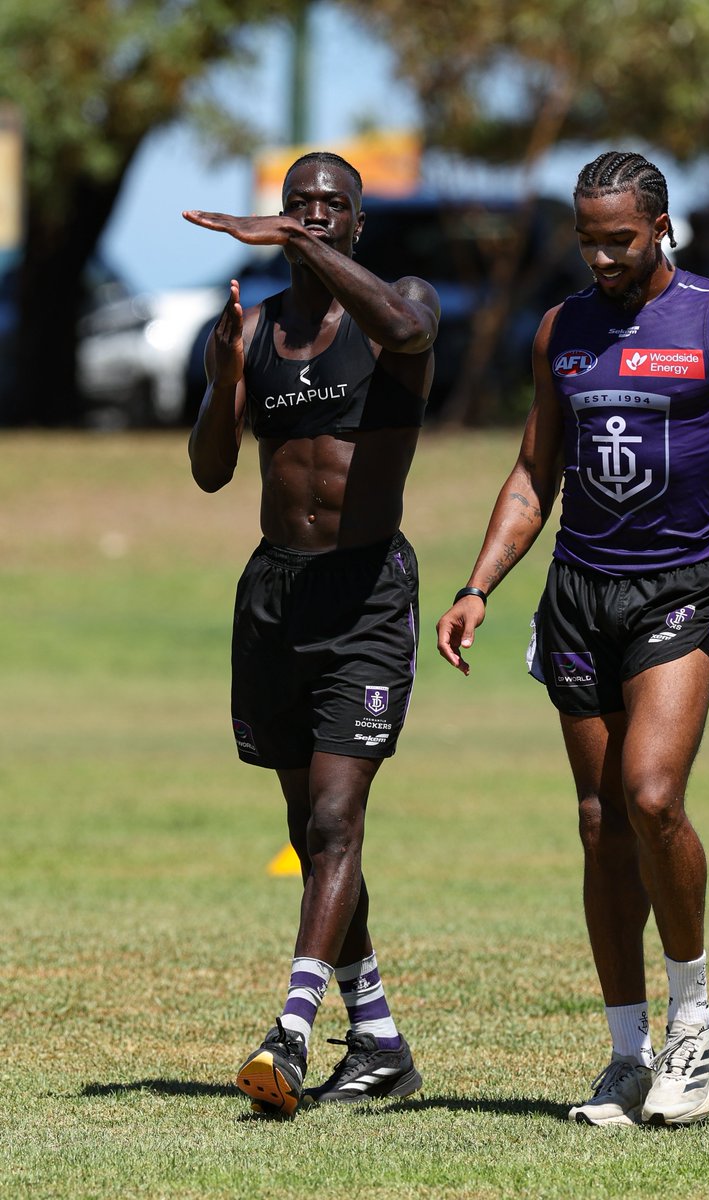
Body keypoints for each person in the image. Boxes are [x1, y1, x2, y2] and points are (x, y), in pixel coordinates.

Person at [437, 151, 709, 1128]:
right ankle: (624, 1055)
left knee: (652, 795)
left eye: (621, 239)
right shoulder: (563, 331)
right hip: (578, 597)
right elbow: (534, 474)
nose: (602, 255)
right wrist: (480, 584)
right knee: (602, 826)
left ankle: (695, 1026)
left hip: (678, 593)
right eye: (589, 239)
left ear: (660, 228)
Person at [183, 151, 440, 1118]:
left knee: (336, 820)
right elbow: (212, 471)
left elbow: (409, 326)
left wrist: (298, 246)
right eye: (299, 206)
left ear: (358, 223)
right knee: (309, 824)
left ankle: (289, 1032)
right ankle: (378, 1039)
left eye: (333, 206)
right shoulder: (257, 331)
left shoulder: (399, 306)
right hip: (277, 596)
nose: (316, 216)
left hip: (367, 593)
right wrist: (219, 380)